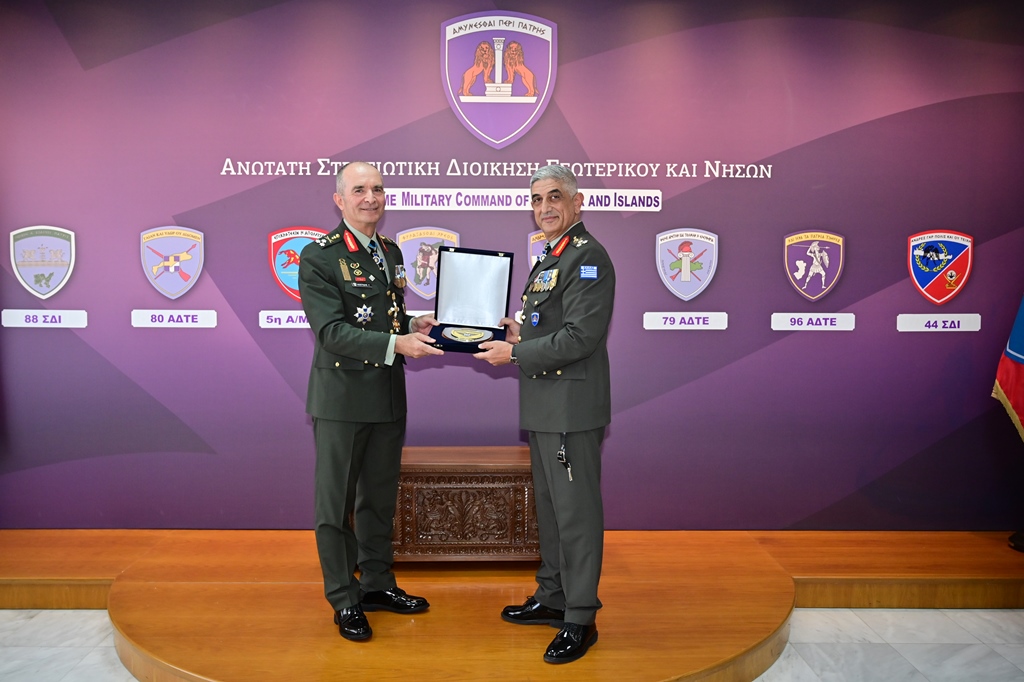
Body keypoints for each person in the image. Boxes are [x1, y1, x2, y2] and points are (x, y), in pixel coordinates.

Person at [474, 164, 615, 664]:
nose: (544, 207)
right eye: (536, 199)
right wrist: (521, 335)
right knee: (552, 512)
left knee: (576, 515)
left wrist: (515, 353)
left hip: (570, 409)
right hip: (545, 406)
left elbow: (580, 337)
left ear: (577, 202)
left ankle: (580, 616)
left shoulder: (587, 256)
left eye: (554, 197)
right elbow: (552, 326)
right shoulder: (552, 255)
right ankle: (553, 596)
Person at [299, 161, 444, 641]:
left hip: (387, 397)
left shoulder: (390, 251)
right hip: (342, 400)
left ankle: (377, 583)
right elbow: (332, 332)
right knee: (335, 505)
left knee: (378, 501)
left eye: (378, 189)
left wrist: (412, 325)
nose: (370, 198)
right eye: (359, 189)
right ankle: (344, 598)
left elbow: (383, 314)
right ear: (339, 200)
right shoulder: (319, 257)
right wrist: (395, 343)